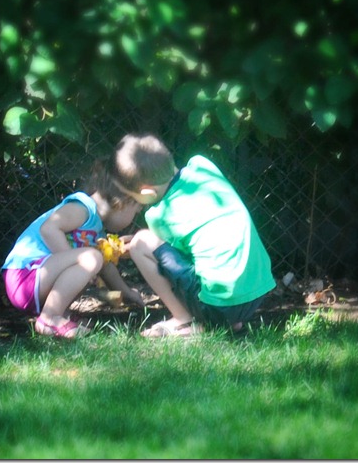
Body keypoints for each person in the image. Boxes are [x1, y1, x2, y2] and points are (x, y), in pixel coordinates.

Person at [109, 133, 276, 337]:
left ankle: (184, 320)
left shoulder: (158, 216)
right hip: (256, 292)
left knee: (140, 243)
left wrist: (132, 246)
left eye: (132, 197)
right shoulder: (202, 165)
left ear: (147, 193)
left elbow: (164, 257)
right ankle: (228, 321)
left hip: (218, 306)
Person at [1, 161, 145, 338]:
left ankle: (60, 313)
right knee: (91, 258)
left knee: (94, 259)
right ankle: (50, 317)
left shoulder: (96, 228)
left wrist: (127, 293)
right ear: (122, 201)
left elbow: (105, 267)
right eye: (136, 211)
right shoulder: (82, 209)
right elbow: (49, 229)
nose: (134, 217)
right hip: (25, 275)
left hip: (38, 279)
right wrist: (79, 258)